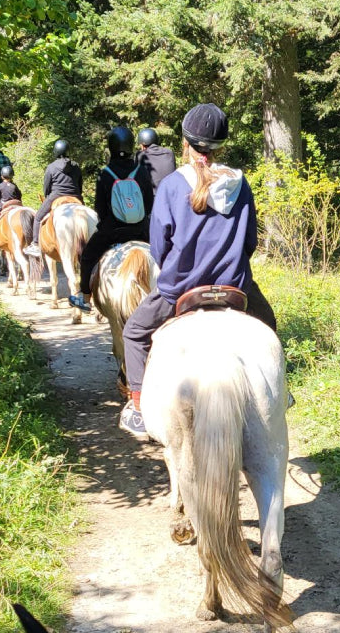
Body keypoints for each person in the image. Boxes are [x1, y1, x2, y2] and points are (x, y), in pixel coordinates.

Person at [118, 103, 278, 438]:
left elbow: (159, 246)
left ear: (186, 144)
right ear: (222, 145)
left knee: (133, 332)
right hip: (235, 287)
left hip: (180, 289)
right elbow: (250, 242)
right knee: (269, 326)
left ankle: (136, 405)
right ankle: (279, 393)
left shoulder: (174, 185)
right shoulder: (241, 183)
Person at [70, 126, 153, 313]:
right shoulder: (141, 171)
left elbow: (100, 208)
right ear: (132, 145)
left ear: (111, 147)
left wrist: (105, 226)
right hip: (141, 231)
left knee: (88, 256)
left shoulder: (105, 173)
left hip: (113, 232)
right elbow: (148, 204)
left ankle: (84, 297)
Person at [26, 139, 84, 255]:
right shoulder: (76, 166)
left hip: (56, 195)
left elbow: (47, 186)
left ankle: (36, 244)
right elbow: (79, 184)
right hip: (76, 196)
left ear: (56, 151)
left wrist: (47, 195)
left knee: (37, 217)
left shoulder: (51, 167)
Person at [136, 127, 176, 195]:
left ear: (143, 145)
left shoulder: (141, 155)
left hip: (151, 198)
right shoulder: (169, 153)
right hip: (170, 195)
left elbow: (136, 179)